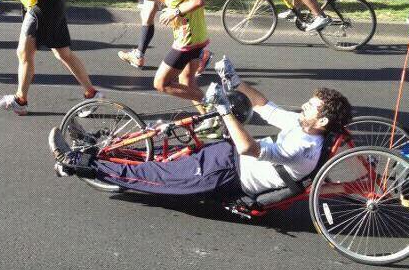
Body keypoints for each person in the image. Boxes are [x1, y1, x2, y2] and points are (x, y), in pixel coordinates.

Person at [50, 57, 352, 199]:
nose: (304, 107)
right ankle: (94, 146)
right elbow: (264, 106)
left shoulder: (303, 147)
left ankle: (78, 163)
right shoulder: (304, 126)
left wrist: (223, 109)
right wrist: (235, 82)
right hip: (224, 154)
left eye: (311, 107)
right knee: (161, 148)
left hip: (226, 175)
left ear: (323, 121)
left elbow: (250, 148)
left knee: (151, 175)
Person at [143, 0, 209, 110]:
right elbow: (179, 1)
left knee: (161, 83)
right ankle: (211, 122)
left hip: (187, 39)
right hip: (196, 36)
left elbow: (197, 1)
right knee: (186, 81)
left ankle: (213, 102)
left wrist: (176, 12)